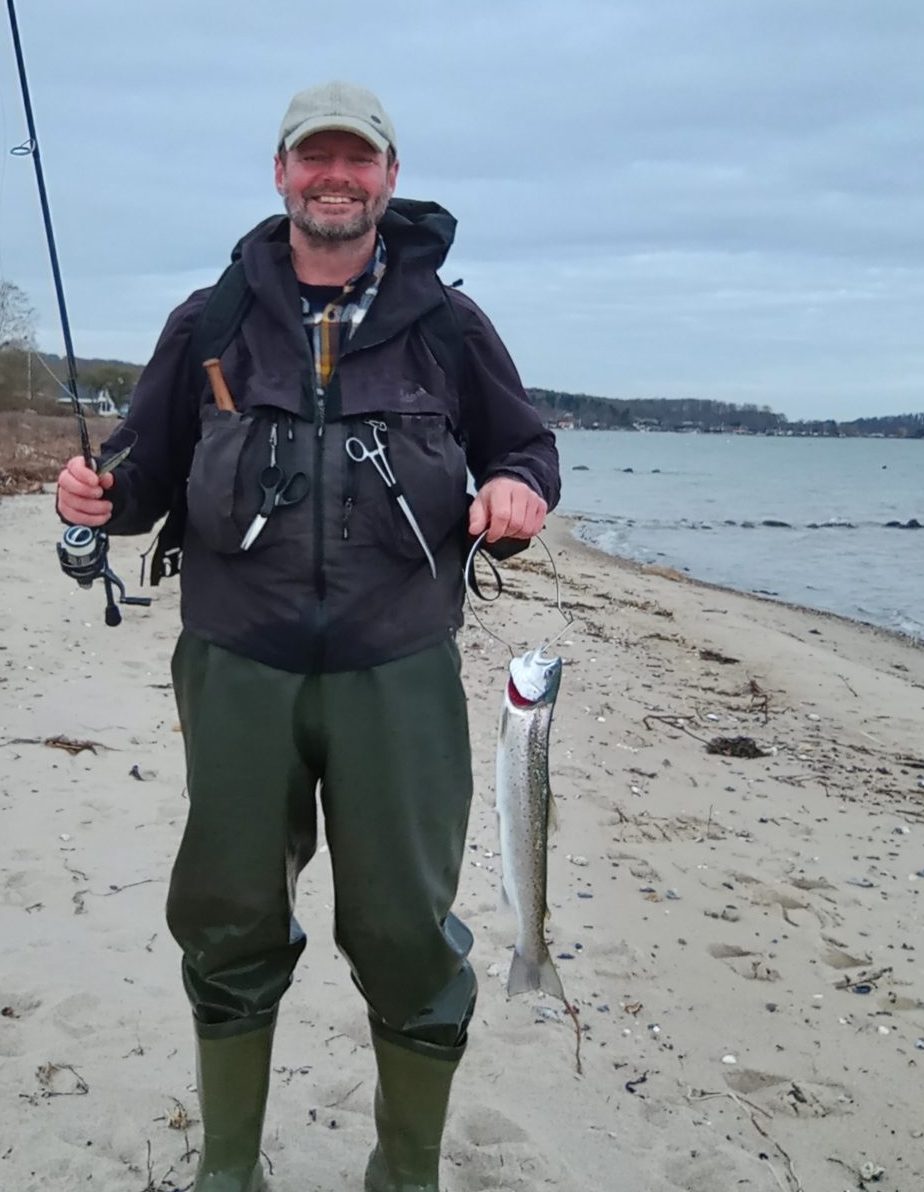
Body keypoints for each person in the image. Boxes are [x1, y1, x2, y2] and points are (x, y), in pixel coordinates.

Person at [55, 81, 558, 1192]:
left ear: (388, 175)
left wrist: (517, 494)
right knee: (228, 917)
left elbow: (526, 452)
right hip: (239, 664)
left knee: (406, 934)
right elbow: (138, 475)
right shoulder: (212, 321)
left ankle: (405, 1173)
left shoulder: (450, 327)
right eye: (313, 159)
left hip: (400, 671)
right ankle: (229, 1169)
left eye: (358, 160)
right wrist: (93, 497)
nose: (336, 178)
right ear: (280, 173)